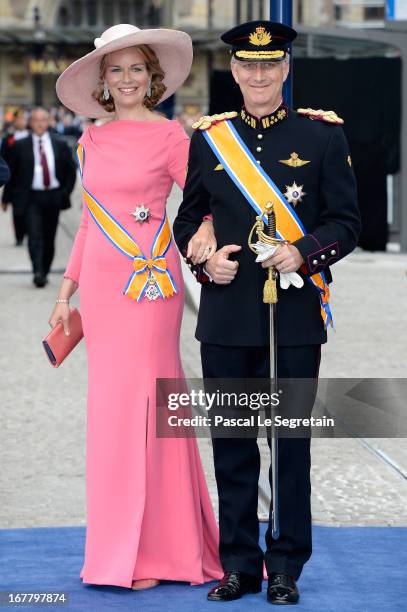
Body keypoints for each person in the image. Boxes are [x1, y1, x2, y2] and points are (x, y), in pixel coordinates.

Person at [174, 20, 361, 605]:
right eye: (247, 66)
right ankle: (238, 564)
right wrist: (204, 263)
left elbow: (348, 224)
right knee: (232, 444)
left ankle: (284, 564)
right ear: (234, 71)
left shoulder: (323, 136)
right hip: (228, 314)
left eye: (269, 65)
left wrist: (302, 252)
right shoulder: (211, 139)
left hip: (295, 317)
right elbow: (188, 219)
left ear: (284, 70)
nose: (258, 75)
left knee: (289, 445)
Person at [49, 24, 222, 590]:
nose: (125, 79)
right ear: (103, 80)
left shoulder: (174, 138)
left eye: (135, 69)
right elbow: (90, 225)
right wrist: (65, 291)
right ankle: (119, 549)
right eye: (115, 70)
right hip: (101, 289)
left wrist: (206, 232)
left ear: (153, 77)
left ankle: (159, 551)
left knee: (151, 408)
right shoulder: (89, 140)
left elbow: (199, 204)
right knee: (112, 416)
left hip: (149, 288)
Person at [3, 108, 76, 286]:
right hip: (30, 198)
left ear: (49, 121)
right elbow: (11, 173)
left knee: (49, 237)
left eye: (44, 120)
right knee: (34, 235)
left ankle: (44, 268)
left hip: (53, 196)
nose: (40, 123)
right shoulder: (20, 145)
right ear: (31, 122)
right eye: (36, 120)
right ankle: (37, 272)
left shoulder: (59, 144)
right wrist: (6, 198)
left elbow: (70, 171)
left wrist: (64, 193)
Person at [1, 109, 30, 244]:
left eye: (23, 119)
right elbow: (5, 165)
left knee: (30, 213)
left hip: (30, 183)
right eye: (18, 119)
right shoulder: (8, 139)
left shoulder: (32, 137)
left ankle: (29, 233)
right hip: (15, 183)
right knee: (17, 213)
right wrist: (5, 197)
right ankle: (19, 236)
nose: (21, 122)